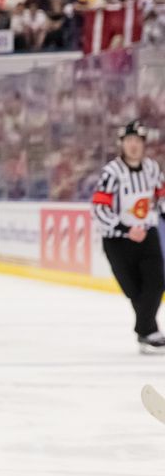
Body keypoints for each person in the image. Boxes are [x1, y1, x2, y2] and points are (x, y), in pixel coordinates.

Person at [92, 119, 165, 352]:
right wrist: (124, 229)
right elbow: (99, 207)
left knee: (155, 284)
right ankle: (148, 332)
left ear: (144, 144)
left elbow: (161, 196)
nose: (133, 145)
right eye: (129, 140)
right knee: (134, 291)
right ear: (122, 144)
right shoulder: (112, 173)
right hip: (117, 241)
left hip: (147, 234)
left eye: (138, 141)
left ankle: (146, 332)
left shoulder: (152, 168)